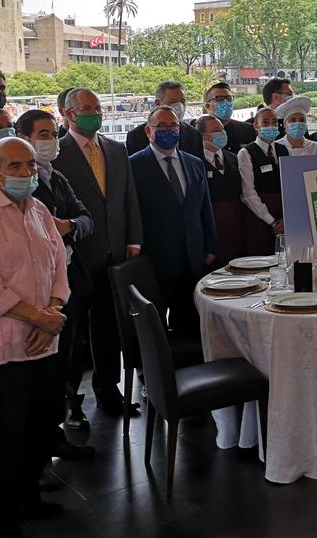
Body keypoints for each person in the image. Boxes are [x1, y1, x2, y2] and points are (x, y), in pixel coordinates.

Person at [0, 137, 70, 537]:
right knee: (2, 436)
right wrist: (40, 318)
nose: (26, 174)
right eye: (16, 167)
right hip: (0, 346)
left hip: (45, 338)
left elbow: (59, 261)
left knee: (41, 426)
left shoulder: (38, 208)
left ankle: (29, 501)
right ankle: (0, 516)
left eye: (30, 166)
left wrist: (53, 311)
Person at [51, 88, 144, 427]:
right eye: (86, 109)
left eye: (97, 108)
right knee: (73, 333)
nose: (95, 113)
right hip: (76, 257)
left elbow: (128, 198)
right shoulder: (55, 153)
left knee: (109, 328)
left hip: (115, 252)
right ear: (68, 113)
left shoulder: (116, 149)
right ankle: (70, 401)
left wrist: (134, 239)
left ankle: (109, 391)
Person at [14, 109, 96, 461]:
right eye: (43, 134)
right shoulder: (11, 193)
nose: (50, 140)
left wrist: (69, 227)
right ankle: (35, 447)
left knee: (70, 352)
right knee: (37, 368)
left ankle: (62, 420)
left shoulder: (56, 178)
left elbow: (85, 217)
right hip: (32, 293)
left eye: (52, 133)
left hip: (68, 280)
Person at [129, 106, 217, 330]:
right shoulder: (133, 165)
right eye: (161, 126)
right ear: (149, 131)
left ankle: (190, 364)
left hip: (193, 255)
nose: (168, 130)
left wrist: (211, 246)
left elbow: (205, 208)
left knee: (190, 321)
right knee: (154, 324)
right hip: (155, 257)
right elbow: (130, 211)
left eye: (173, 126)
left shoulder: (194, 163)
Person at [239, 107, 290, 256]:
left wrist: (285, 219)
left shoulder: (284, 150)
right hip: (259, 216)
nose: (271, 126)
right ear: (256, 126)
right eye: (265, 123)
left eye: (274, 122)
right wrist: (272, 221)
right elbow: (248, 193)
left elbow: (290, 184)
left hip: (283, 215)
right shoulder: (246, 152)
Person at [197, 115, 246, 269]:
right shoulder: (195, 161)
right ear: (203, 136)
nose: (222, 134)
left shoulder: (234, 158)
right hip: (211, 223)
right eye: (216, 131)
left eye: (222, 130)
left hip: (235, 222)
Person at [125, 81, 201, 156]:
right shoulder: (136, 136)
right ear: (158, 103)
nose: (180, 106)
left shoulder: (193, 135)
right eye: (173, 102)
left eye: (182, 101)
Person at [203, 82, 256, 152]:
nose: (226, 102)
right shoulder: (199, 132)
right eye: (220, 99)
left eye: (229, 98)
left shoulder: (248, 130)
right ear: (207, 106)